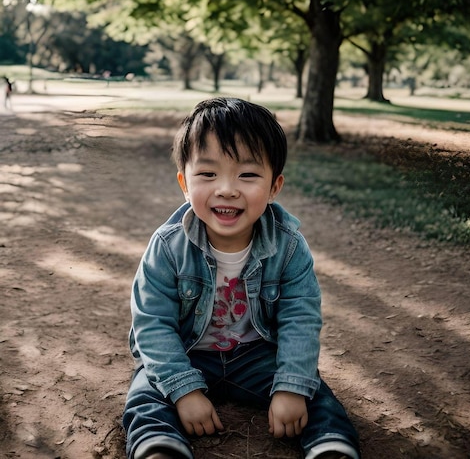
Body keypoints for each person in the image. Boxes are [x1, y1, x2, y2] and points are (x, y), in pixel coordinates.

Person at [123, 97, 360, 459]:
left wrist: (291, 388)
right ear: (184, 183)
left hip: (255, 357)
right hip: (185, 353)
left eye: (248, 175)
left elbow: (300, 318)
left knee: (313, 392)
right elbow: (152, 323)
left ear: (274, 186)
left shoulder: (289, 247)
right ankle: (159, 446)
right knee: (145, 393)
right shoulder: (168, 247)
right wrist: (183, 391)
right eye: (208, 174)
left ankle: (331, 446)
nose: (227, 189)